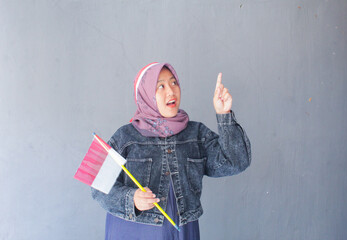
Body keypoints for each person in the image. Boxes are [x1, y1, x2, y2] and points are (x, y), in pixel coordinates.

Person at [91, 62, 251, 240]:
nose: (171, 91)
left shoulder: (196, 134)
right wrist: (131, 199)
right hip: (133, 232)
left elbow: (236, 162)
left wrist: (224, 115)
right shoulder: (124, 137)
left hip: (183, 232)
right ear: (145, 94)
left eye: (174, 83)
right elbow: (98, 188)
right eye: (161, 86)